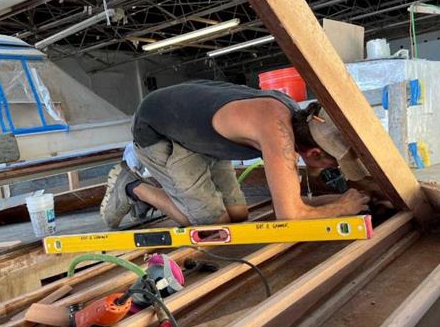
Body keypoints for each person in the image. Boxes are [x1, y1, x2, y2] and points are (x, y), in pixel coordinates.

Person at [100, 80, 370, 228]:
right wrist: (343, 208)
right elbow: (290, 215)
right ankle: (132, 186)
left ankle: (165, 194)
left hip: (198, 133)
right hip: (160, 131)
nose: (328, 170)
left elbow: (295, 201)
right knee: (212, 227)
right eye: (331, 164)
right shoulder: (278, 133)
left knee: (239, 216)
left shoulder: (295, 117)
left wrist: (350, 201)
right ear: (313, 153)